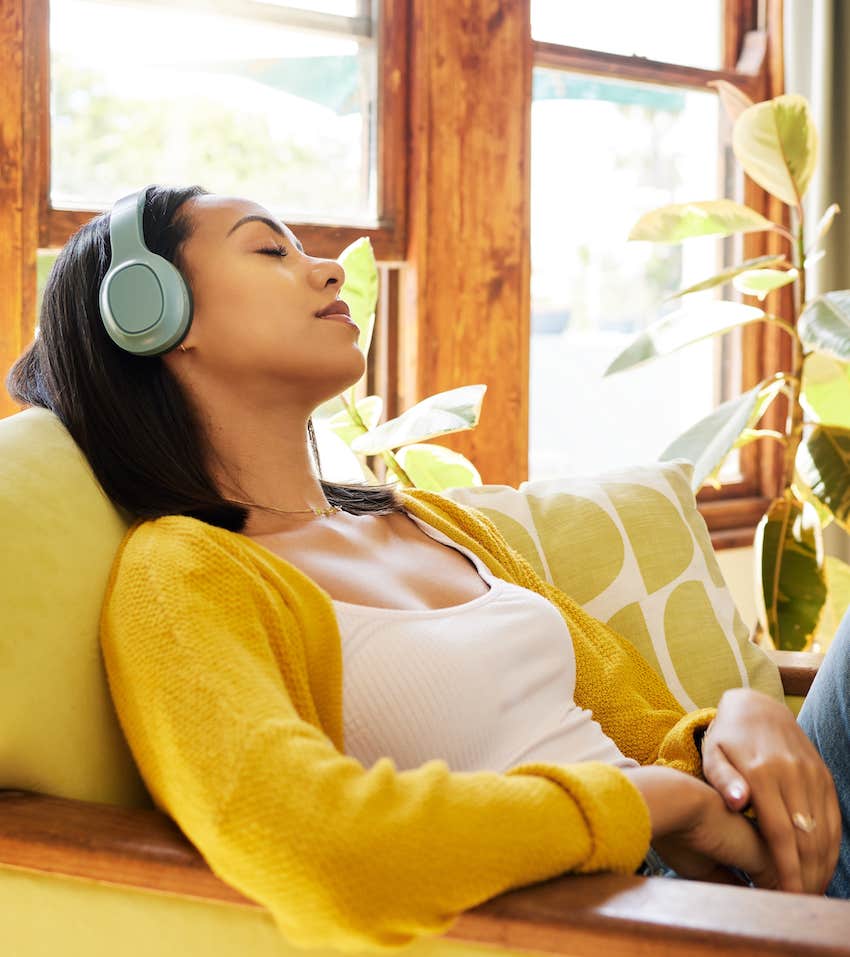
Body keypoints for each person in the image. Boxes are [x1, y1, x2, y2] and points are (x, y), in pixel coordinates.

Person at [5, 185, 847, 951]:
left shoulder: (426, 517)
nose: (331, 271)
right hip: (612, 917)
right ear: (150, 314)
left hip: (741, 875)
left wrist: (733, 720)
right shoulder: (183, 572)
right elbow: (324, 848)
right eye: (270, 250)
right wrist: (656, 804)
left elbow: (638, 721)